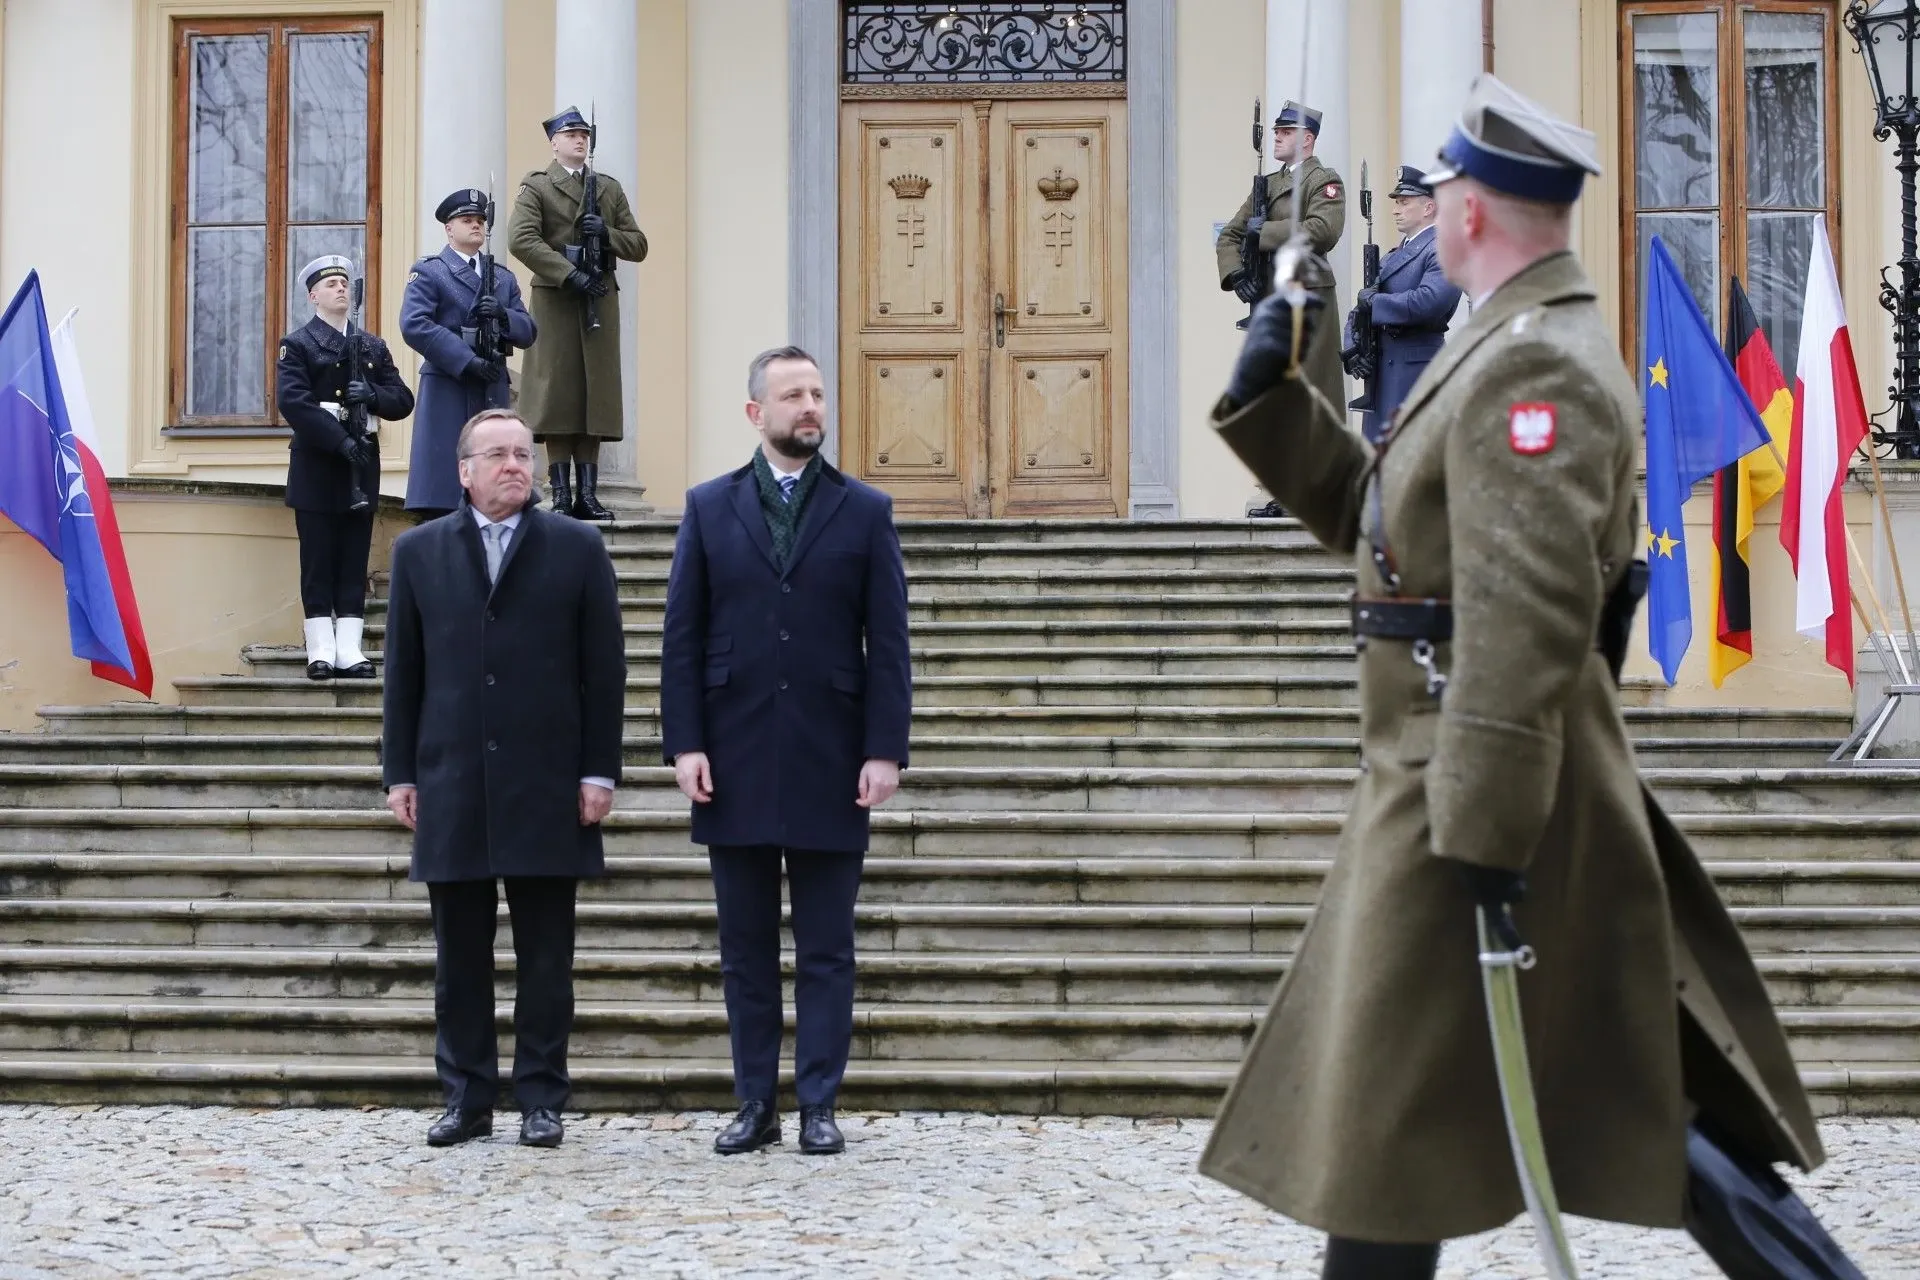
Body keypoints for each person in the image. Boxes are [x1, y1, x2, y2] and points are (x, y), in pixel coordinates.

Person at [1198, 75, 1858, 1280]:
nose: (1434, 206)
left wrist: (1485, 839)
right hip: (1453, 780)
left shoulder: (1537, 365)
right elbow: (1386, 526)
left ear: (1477, 212)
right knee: (1433, 1119)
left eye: (1446, 189)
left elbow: (1524, 616)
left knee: (1422, 1113)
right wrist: (1271, 399)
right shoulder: (1504, 341)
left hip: (1478, 783)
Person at [659, 346, 912, 1158]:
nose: (809, 406)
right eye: (792, 395)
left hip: (833, 759)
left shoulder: (866, 510)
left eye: (816, 393)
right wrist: (684, 742)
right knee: (745, 951)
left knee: (829, 948)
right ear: (755, 413)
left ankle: (818, 1106)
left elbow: (891, 642)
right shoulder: (708, 507)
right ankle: (752, 1104)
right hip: (730, 756)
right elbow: (683, 638)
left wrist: (885, 750)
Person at [380, 407, 626, 1151]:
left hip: (549, 782)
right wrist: (400, 773)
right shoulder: (420, 553)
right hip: (452, 779)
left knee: (547, 957)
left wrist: (599, 772)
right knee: (460, 960)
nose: (515, 465)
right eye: (497, 454)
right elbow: (404, 673)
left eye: (524, 453)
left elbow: (603, 671)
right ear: (464, 470)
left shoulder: (578, 547)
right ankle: (465, 1097)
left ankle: (543, 1097)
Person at [508, 105, 648, 521]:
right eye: (570, 134)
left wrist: (605, 234)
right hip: (557, 299)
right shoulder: (537, 186)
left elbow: (638, 244)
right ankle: (562, 494)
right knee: (559, 393)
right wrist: (569, 274)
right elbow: (521, 239)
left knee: (594, 396)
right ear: (553, 142)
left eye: (584, 134)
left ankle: (588, 494)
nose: (579, 139)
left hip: (599, 295)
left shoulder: (607, 188)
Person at [277, 254, 414, 680]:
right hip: (319, 466)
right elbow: (293, 403)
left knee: (353, 559)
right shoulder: (298, 344)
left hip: (360, 469)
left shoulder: (371, 346)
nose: (341, 288)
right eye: (331, 283)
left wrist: (370, 394)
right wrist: (340, 440)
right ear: (313, 295)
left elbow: (403, 400)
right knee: (318, 560)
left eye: (345, 282)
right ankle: (320, 647)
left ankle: (350, 649)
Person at [1215, 100, 1346, 450]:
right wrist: (1237, 273)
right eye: (1276, 132)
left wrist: (1266, 232)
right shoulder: (1269, 184)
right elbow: (1230, 234)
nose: (1277, 138)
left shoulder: (1325, 181)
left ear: (1307, 139)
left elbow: (1322, 231)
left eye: (1286, 132)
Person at [401, 188, 538, 519]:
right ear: (449, 228)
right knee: (445, 492)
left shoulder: (501, 278)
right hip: (450, 385)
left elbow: (528, 330)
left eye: (480, 220)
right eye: (467, 220)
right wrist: (465, 359)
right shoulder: (431, 271)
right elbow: (414, 324)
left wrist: (504, 317)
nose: (476, 225)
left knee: (494, 485)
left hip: (490, 384)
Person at [1343, 165, 1461, 444]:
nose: (1396, 209)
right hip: (1382, 372)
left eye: (1404, 202)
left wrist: (1377, 303)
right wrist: (1353, 348)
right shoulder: (1395, 255)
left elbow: (1429, 301)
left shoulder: (1442, 249)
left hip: (1414, 369)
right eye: (1396, 202)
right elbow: (1360, 308)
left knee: (1408, 456)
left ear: (1428, 207)